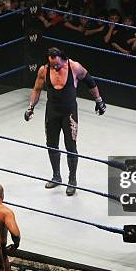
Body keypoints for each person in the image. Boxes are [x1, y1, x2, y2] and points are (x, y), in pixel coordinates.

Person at [24, 47, 106, 196]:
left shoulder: (75, 67)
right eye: (52, 64)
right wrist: (30, 107)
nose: (55, 67)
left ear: (63, 59)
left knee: (71, 146)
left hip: (69, 113)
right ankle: (56, 176)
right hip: (52, 112)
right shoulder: (44, 70)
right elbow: (37, 89)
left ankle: (72, 180)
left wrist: (99, 101)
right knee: (51, 145)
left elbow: (90, 82)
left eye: (57, 64)